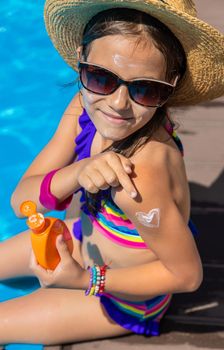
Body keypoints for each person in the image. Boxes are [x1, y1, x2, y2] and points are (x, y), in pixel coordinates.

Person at [0, 0, 223, 346]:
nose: (118, 103)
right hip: (80, 239)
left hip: (122, 298)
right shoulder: (83, 109)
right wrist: (80, 171)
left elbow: (186, 275)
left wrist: (84, 280)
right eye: (101, 78)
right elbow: (21, 201)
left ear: (170, 87)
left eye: (145, 88)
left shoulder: (140, 175)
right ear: (81, 61)